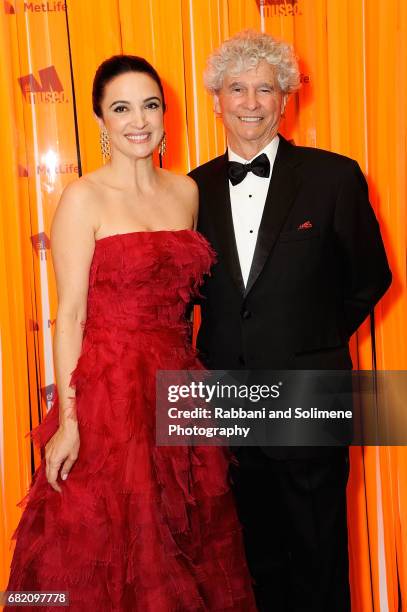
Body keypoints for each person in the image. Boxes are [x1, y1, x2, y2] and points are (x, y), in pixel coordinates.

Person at [6, 55, 256, 611]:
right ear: (100, 121)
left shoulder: (186, 192)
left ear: (166, 114)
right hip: (111, 395)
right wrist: (70, 422)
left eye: (149, 105)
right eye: (121, 108)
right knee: (110, 544)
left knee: (190, 539)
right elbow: (69, 315)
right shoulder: (83, 198)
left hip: (180, 388)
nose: (137, 120)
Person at [189, 30, 392, 612]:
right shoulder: (188, 190)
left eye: (266, 89)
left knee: (319, 557)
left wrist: (310, 341)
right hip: (223, 401)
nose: (251, 102)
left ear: (287, 100)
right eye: (237, 88)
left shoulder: (334, 177)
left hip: (309, 393)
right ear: (216, 99)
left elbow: (369, 279)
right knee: (247, 563)